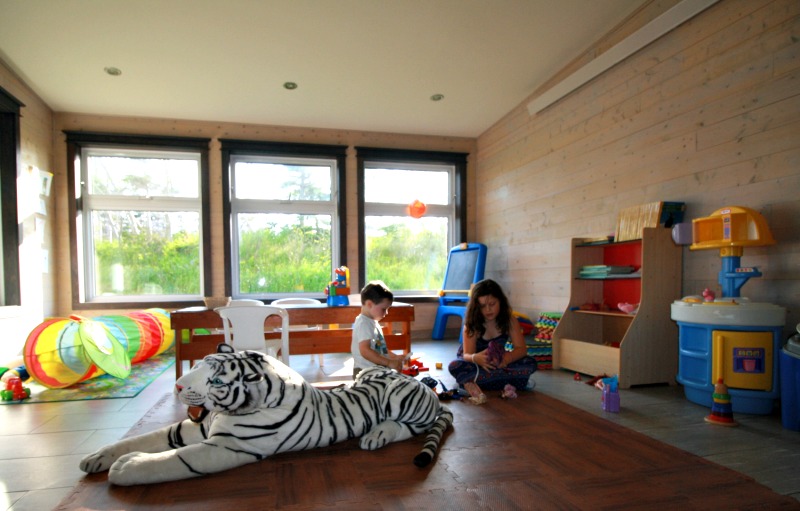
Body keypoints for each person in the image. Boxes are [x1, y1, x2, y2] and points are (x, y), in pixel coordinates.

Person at [448, 279, 537, 391]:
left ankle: (474, 382)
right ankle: (510, 381)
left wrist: (506, 359)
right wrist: (476, 358)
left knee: (530, 362)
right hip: (477, 364)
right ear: (476, 307)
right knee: (455, 366)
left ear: (500, 301)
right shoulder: (472, 324)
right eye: (482, 306)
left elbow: (521, 349)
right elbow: (467, 355)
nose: (488, 310)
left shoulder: (509, 320)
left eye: (492, 304)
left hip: (499, 363)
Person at [351, 280, 408, 378]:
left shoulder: (372, 322)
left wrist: (393, 357)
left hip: (374, 370)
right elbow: (365, 351)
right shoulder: (364, 323)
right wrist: (389, 362)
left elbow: (380, 349)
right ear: (369, 304)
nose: (386, 313)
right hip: (365, 373)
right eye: (384, 309)